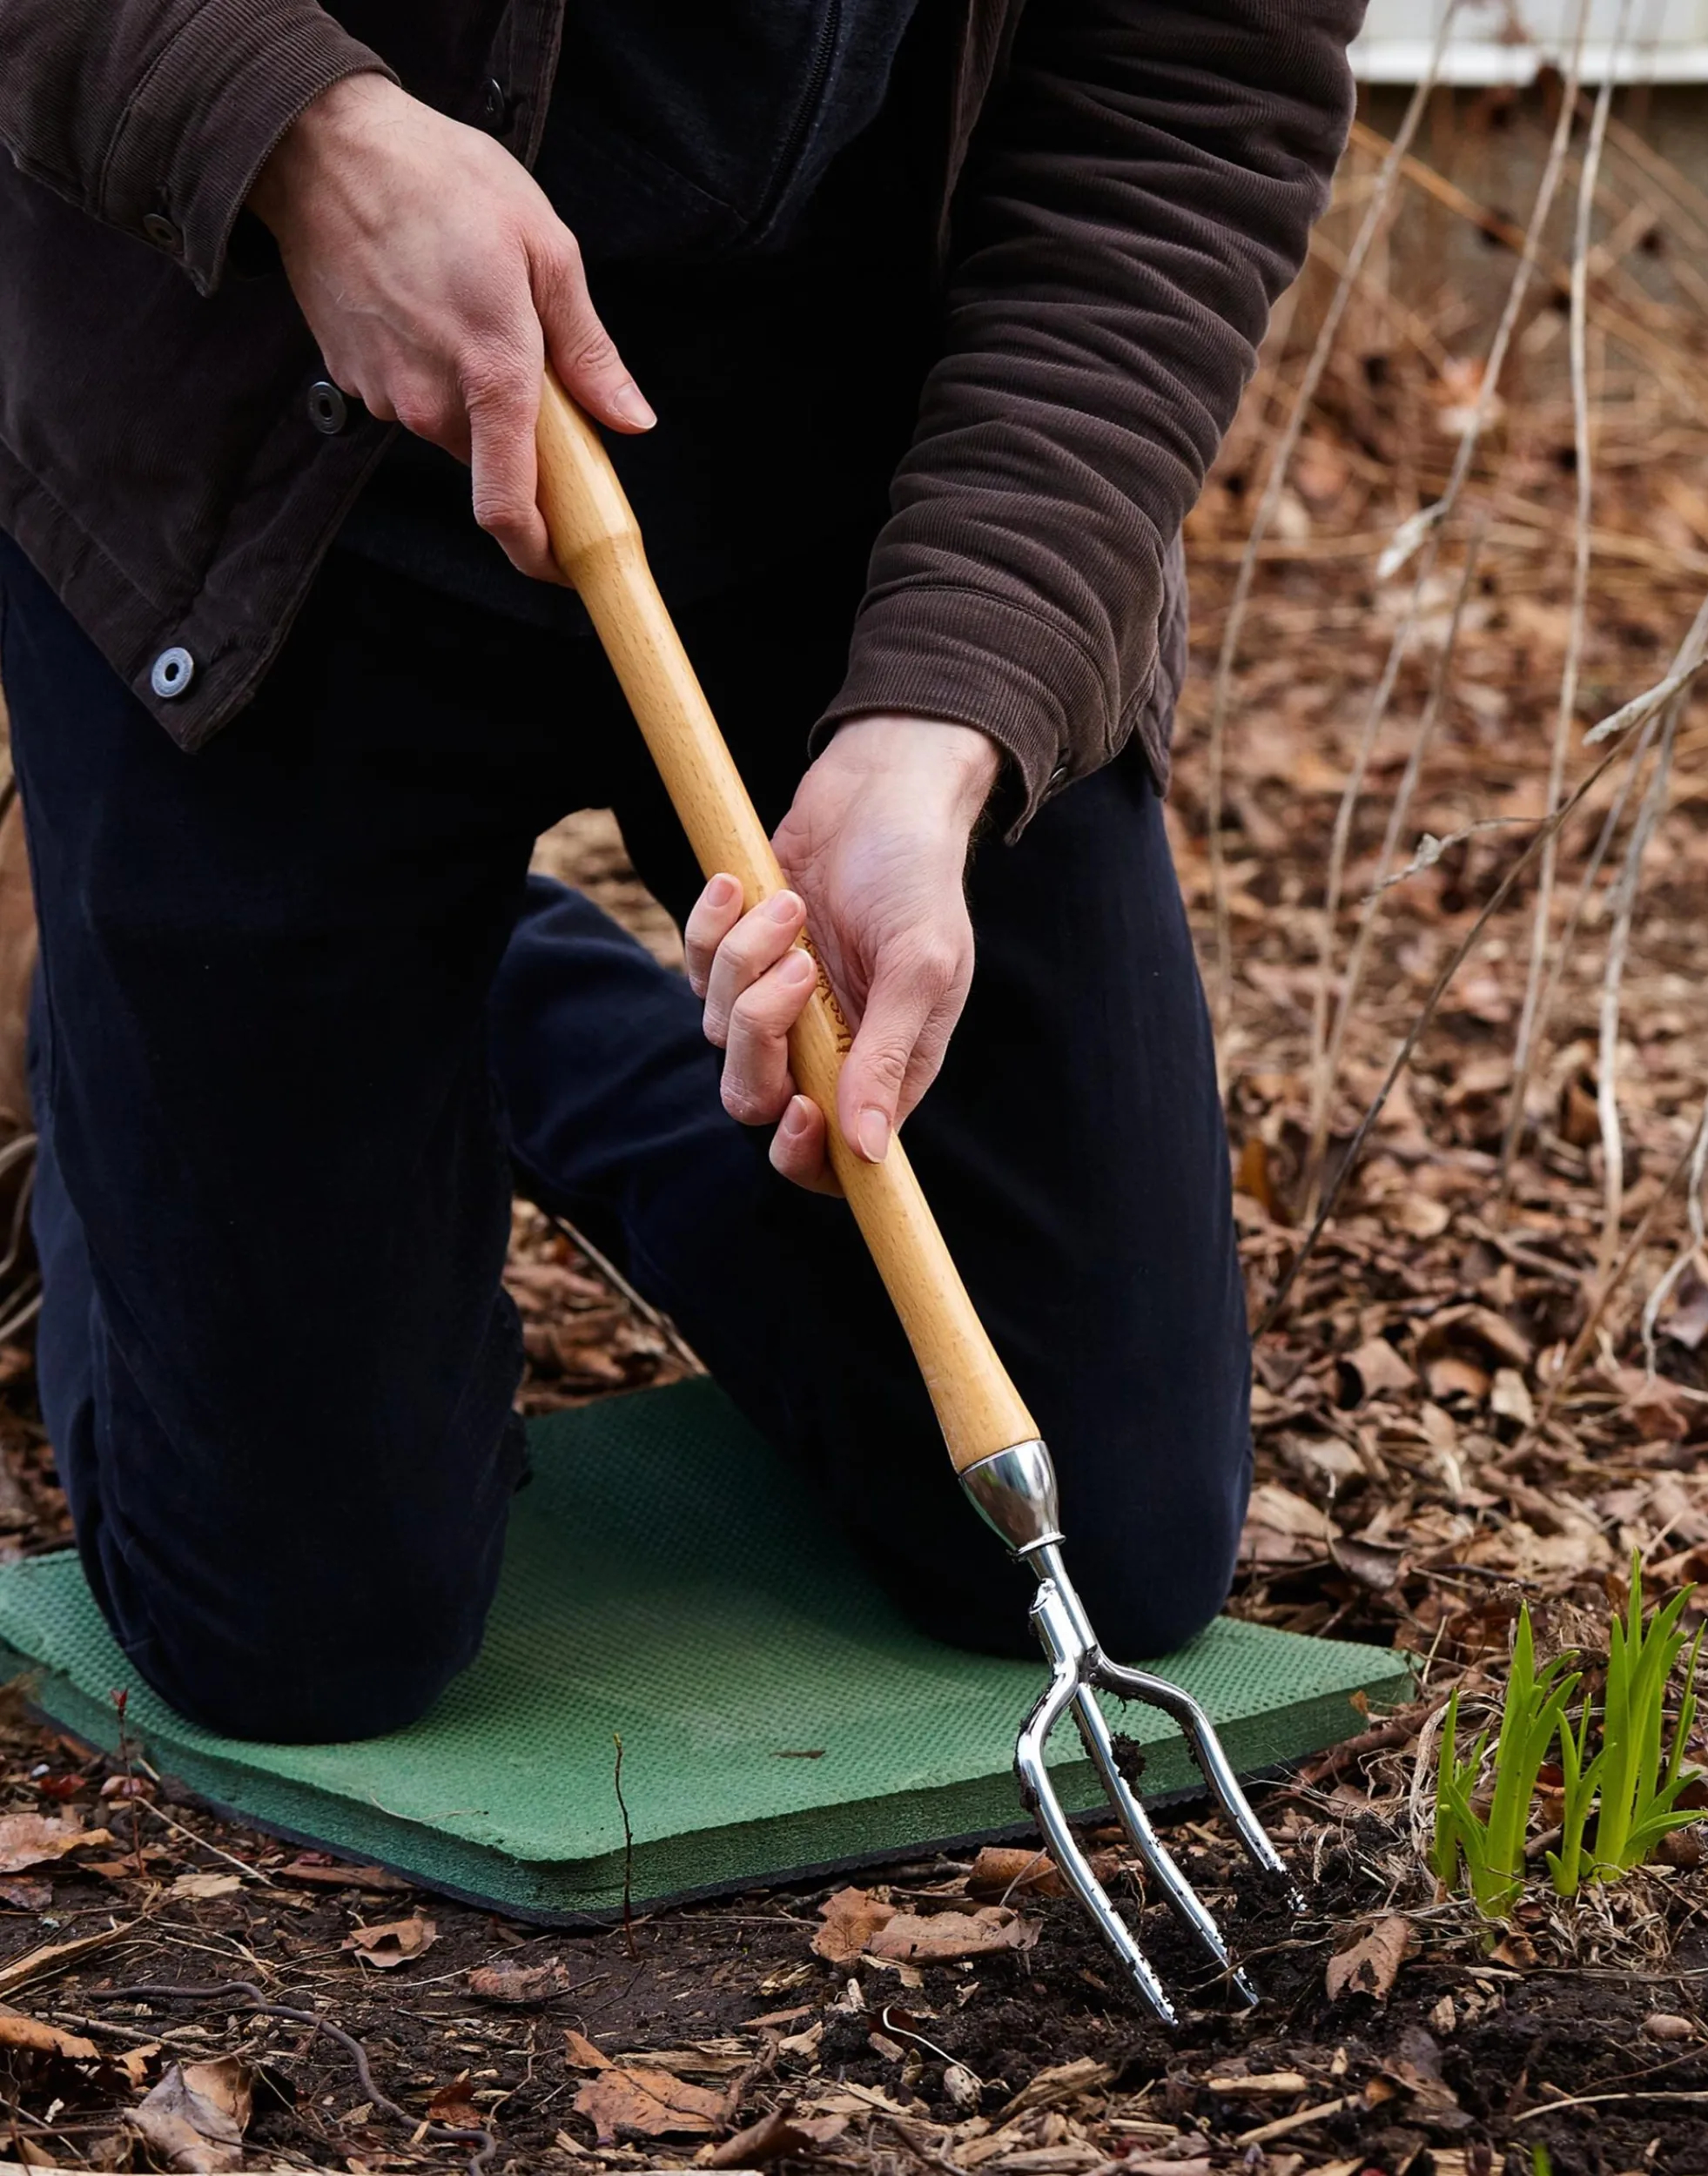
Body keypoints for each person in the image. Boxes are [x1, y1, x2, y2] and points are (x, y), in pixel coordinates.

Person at [0, 0, 1365, 1743]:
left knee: (1099, 1528)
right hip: (267, 434)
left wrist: (942, 722)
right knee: (299, 1631)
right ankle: (149, 1007)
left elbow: (1185, 94)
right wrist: (296, 130)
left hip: (867, 504)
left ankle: (496, 993)